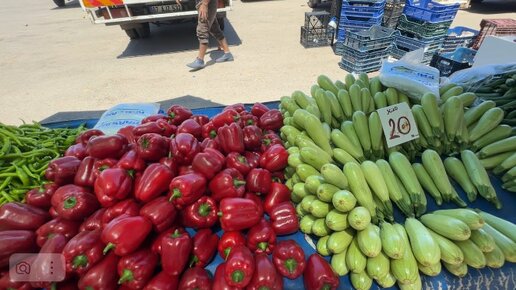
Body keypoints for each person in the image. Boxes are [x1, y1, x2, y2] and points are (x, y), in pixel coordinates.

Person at [186, 0, 234, 70]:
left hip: (207, 3)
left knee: (202, 29)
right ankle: (227, 54)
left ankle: (200, 60)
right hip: (205, 3)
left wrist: (205, 4)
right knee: (214, 29)